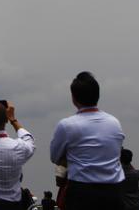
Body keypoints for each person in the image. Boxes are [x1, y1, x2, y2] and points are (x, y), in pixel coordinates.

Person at [50, 72, 125, 210]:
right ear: (98, 95)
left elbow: (55, 157)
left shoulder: (66, 125)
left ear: (74, 98)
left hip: (82, 191)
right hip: (114, 191)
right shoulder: (114, 123)